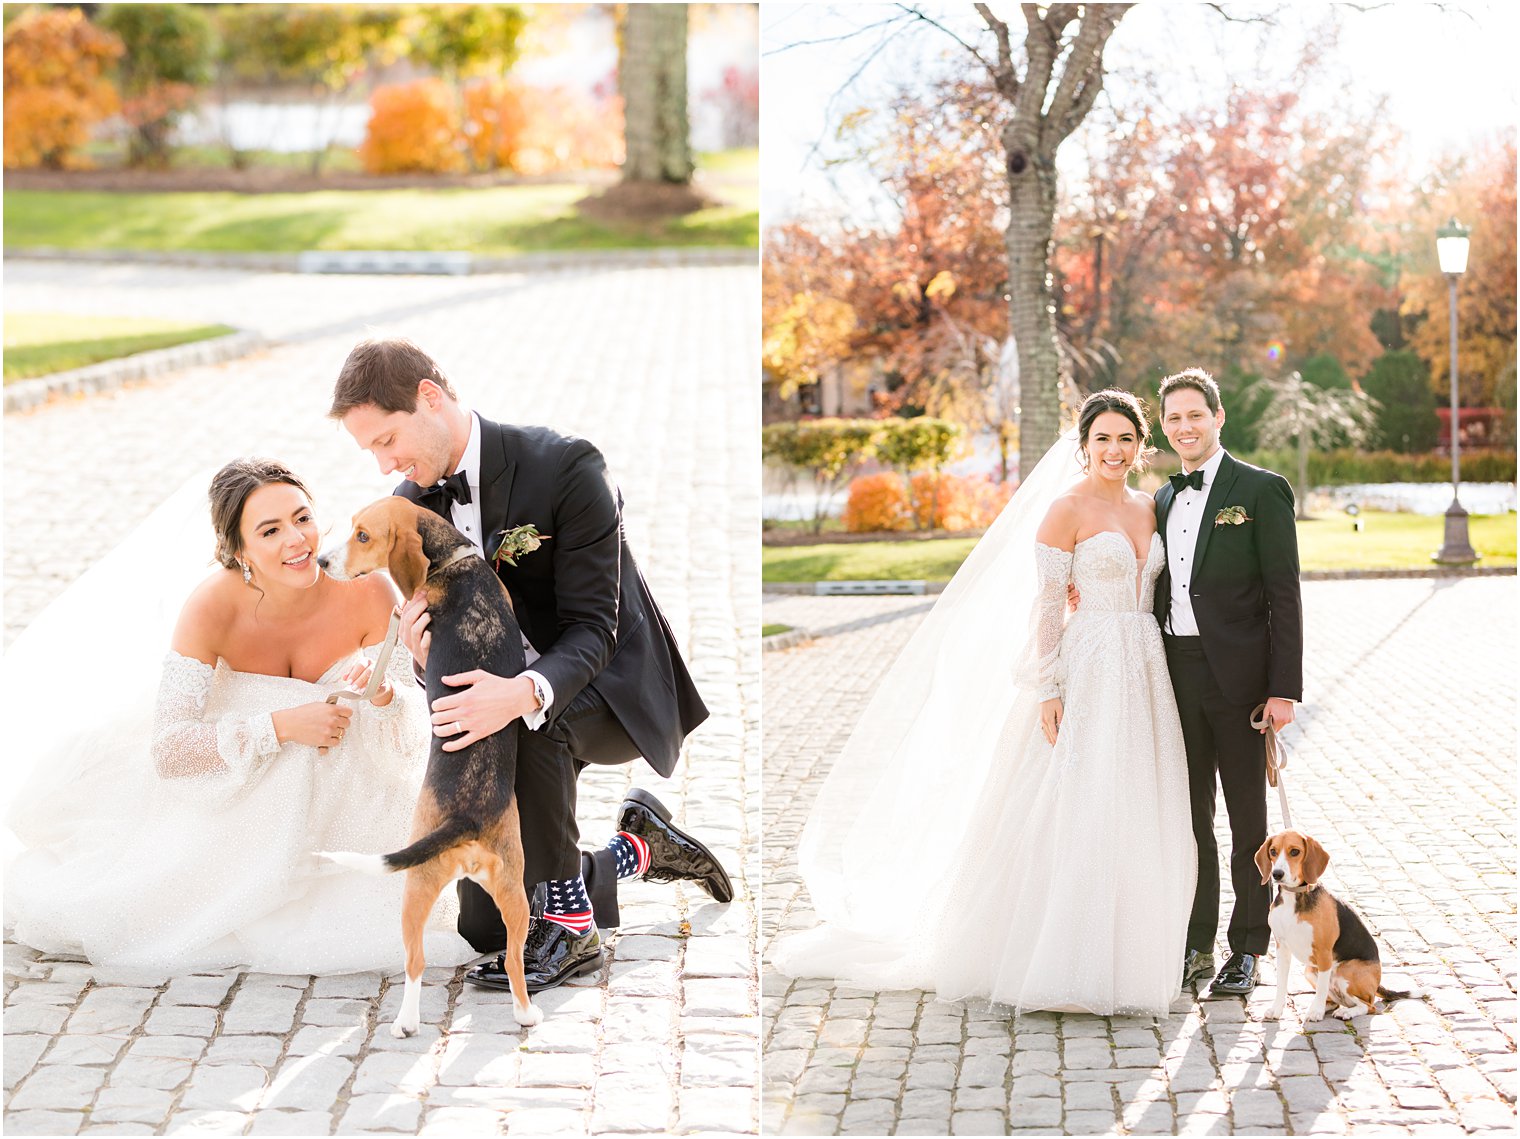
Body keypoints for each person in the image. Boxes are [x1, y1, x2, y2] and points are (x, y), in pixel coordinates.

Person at [329, 338, 733, 994]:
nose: (383, 465)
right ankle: (639, 849)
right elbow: (447, 651)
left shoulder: (568, 467)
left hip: (610, 684)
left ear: (430, 398)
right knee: (490, 924)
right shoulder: (409, 509)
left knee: (535, 725)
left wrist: (522, 690)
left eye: (387, 440)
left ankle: (573, 927)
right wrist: (423, 645)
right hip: (503, 703)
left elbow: (595, 628)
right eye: (370, 450)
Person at [772, 390, 1195, 1016]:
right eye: (1102, 438)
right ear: (1083, 445)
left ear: (1141, 446)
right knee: (1074, 798)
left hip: (1144, 665)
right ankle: (1054, 956)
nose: (1114, 450)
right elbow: (1049, 607)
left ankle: (1129, 956)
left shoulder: (1148, 507)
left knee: (1133, 797)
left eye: (1126, 439)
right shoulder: (1065, 510)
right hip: (1088, 667)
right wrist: (1047, 686)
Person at [5, 459, 475, 976]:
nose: (296, 540)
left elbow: (409, 751)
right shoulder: (212, 607)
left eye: (302, 518)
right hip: (238, 810)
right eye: (269, 531)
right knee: (121, 906)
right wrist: (279, 726)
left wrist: (385, 696)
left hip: (350, 812)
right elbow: (171, 750)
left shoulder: (368, 590)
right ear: (238, 550)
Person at [1155, 368, 1303, 997]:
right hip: (1173, 677)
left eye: (1195, 415)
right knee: (1188, 819)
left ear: (1218, 417)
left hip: (1242, 685)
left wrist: (1283, 689)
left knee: (1248, 822)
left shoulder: (1261, 490)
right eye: (1173, 419)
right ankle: (1194, 943)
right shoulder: (1161, 498)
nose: (1184, 428)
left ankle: (1247, 948)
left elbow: (1283, 596)